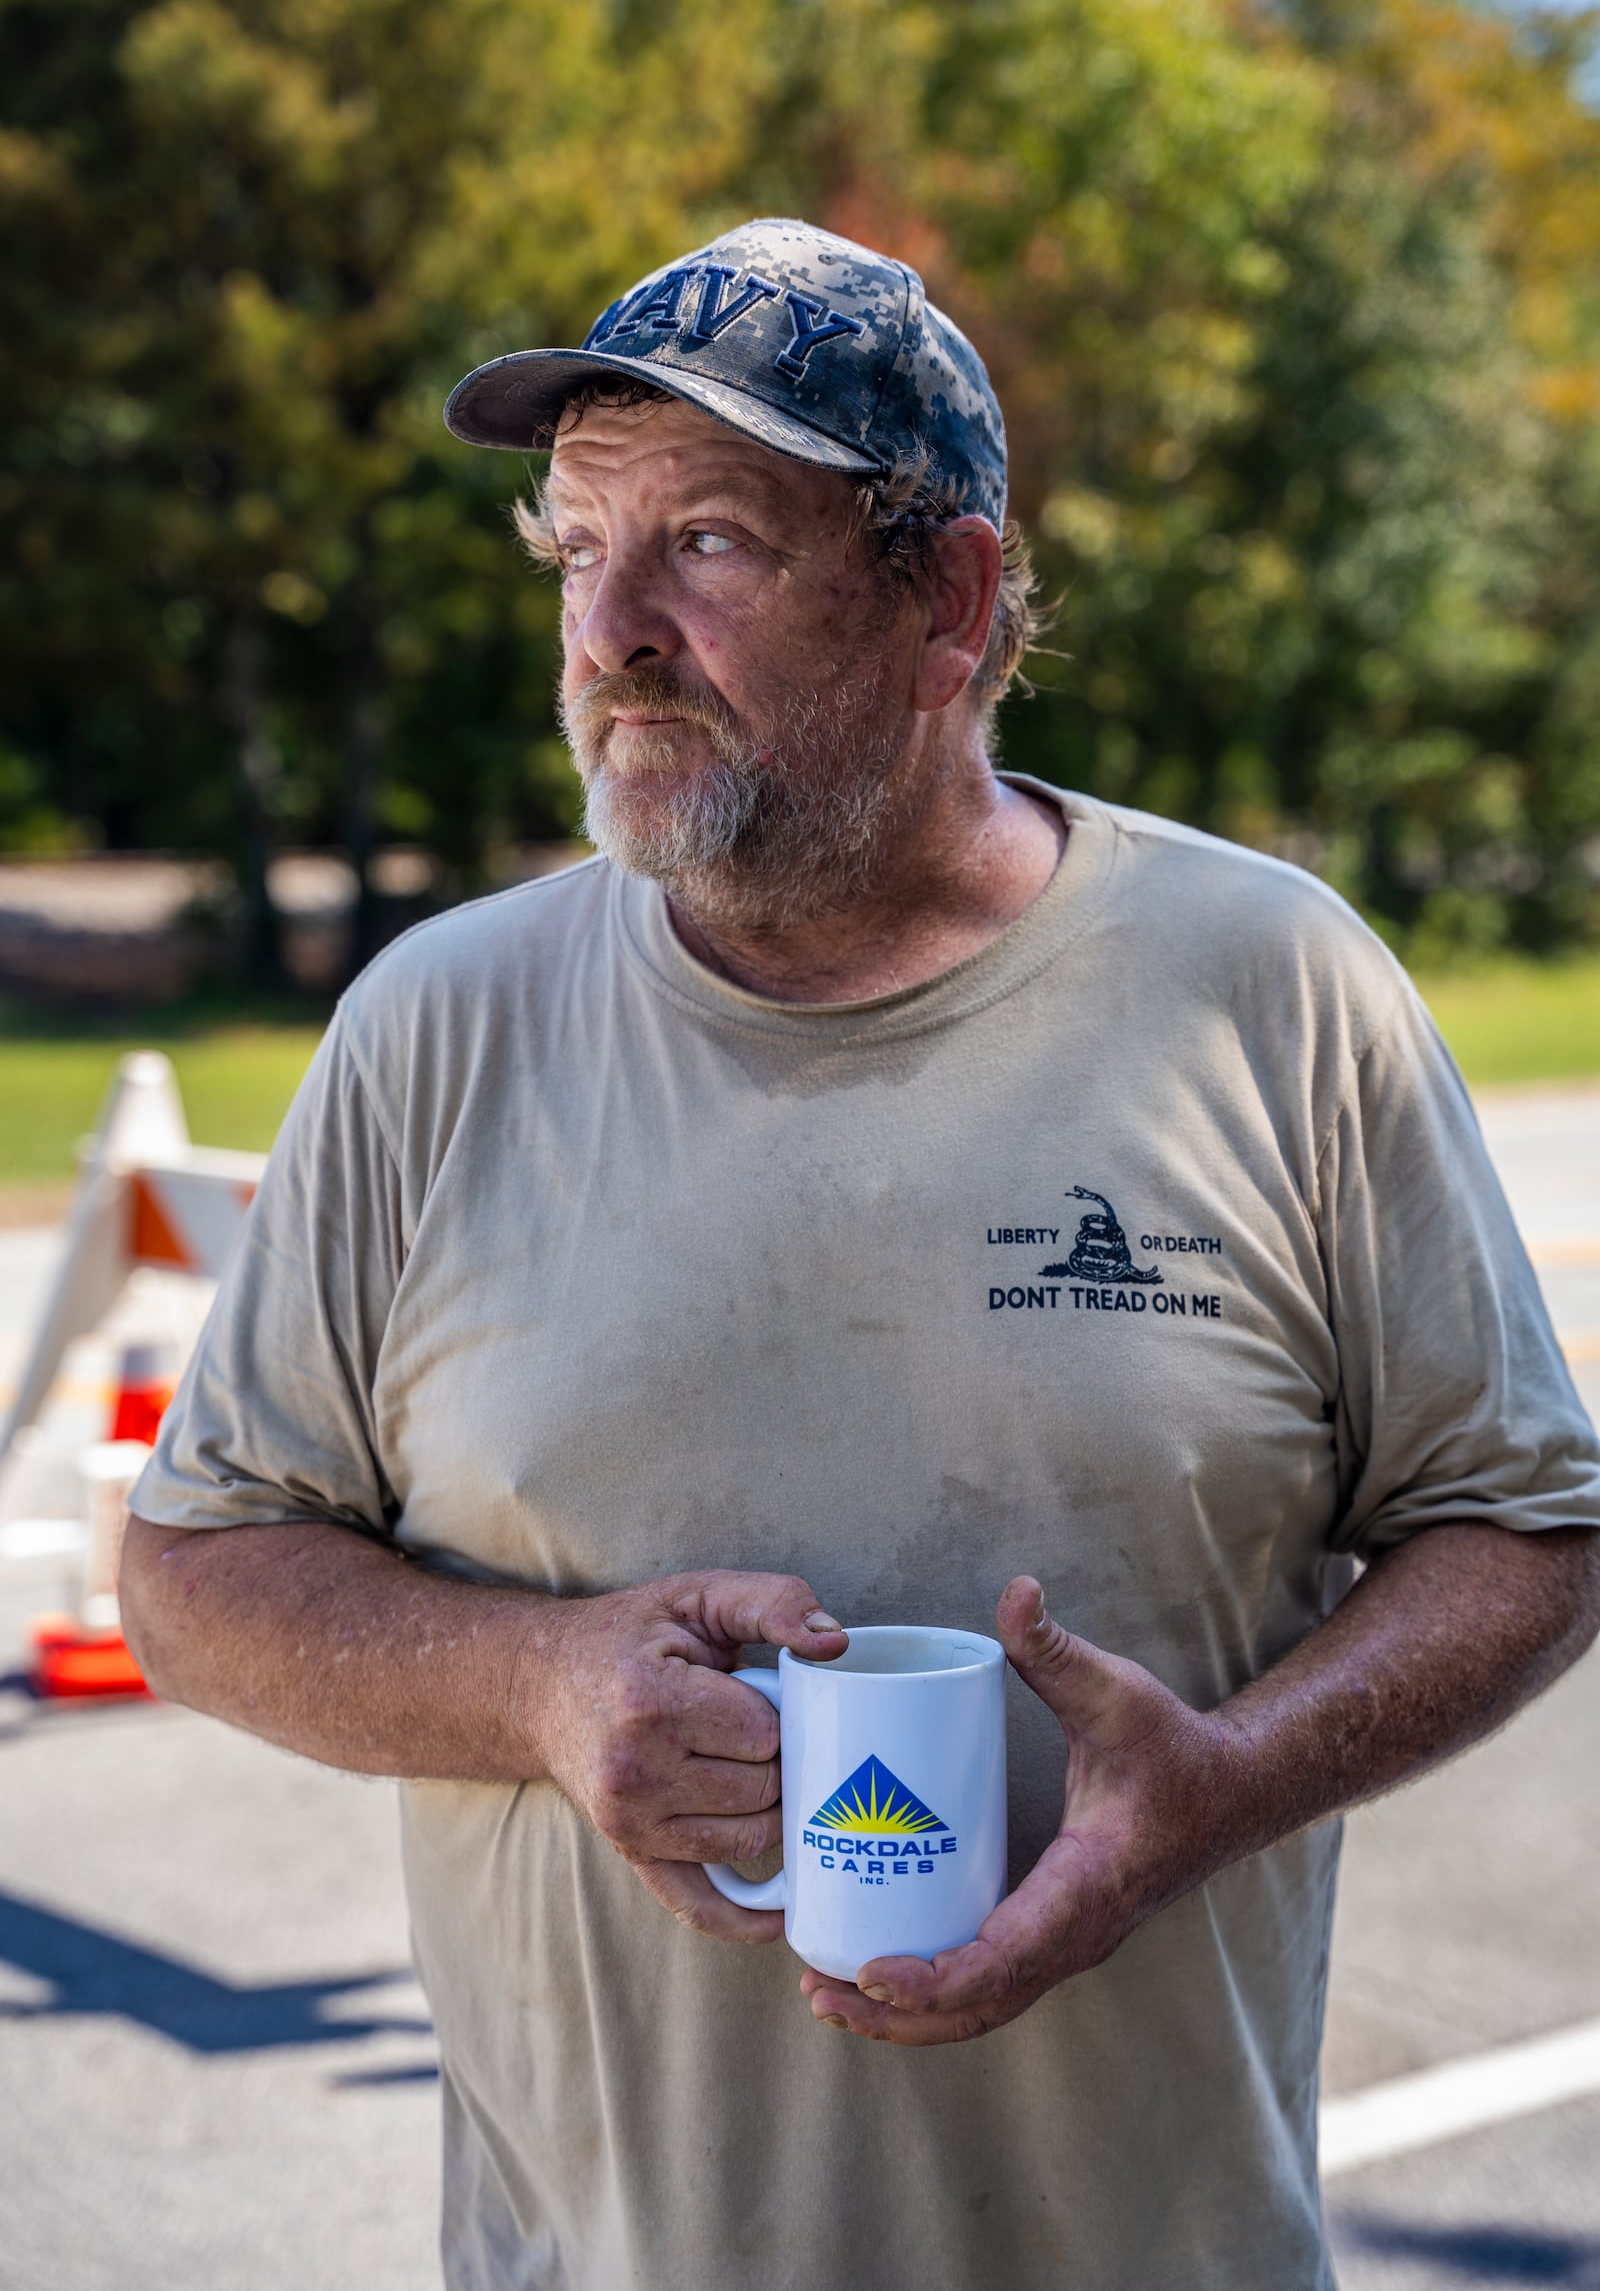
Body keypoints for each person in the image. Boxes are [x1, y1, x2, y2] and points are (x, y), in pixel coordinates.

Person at [120, 217, 1600, 2291]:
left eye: (706, 542)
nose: (607, 629)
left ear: (948, 600)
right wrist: (536, 1683)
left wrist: (1224, 1784)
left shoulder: (1268, 990)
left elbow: (1523, 1525)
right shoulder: (436, 1028)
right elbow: (192, 1573)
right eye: (572, 549)